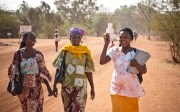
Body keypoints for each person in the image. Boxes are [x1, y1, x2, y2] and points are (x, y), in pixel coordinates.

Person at [100, 28, 147, 112]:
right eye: (121, 37)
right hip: (116, 89)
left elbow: (144, 70)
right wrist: (106, 44)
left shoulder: (136, 53)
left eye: (126, 37)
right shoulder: (114, 50)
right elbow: (102, 62)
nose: (123, 39)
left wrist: (136, 65)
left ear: (131, 39)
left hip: (132, 89)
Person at [52, 28, 95, 112]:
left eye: (78, 37)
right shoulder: (64, 51)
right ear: (70, 38)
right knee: (67, 109)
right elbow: (58, 69)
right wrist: (54, 86)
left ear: (81, 38)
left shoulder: (86, 52)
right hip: (66, 86)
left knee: (79, 109)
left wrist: (92, 88)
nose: (76, 39)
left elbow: (88, 71)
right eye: (74, 37)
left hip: (81, 87)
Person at [8, 32, 52, 111]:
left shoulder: (39, 54)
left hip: (37, 88)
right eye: (30, 37)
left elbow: (43, 71)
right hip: (23, 89)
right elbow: (14, 70)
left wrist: (48, 88)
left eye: (34, 38)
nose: (33, 39)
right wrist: (14, 86)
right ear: (24, 40)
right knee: (26, 109)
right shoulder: (18, 54)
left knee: (37, 108)